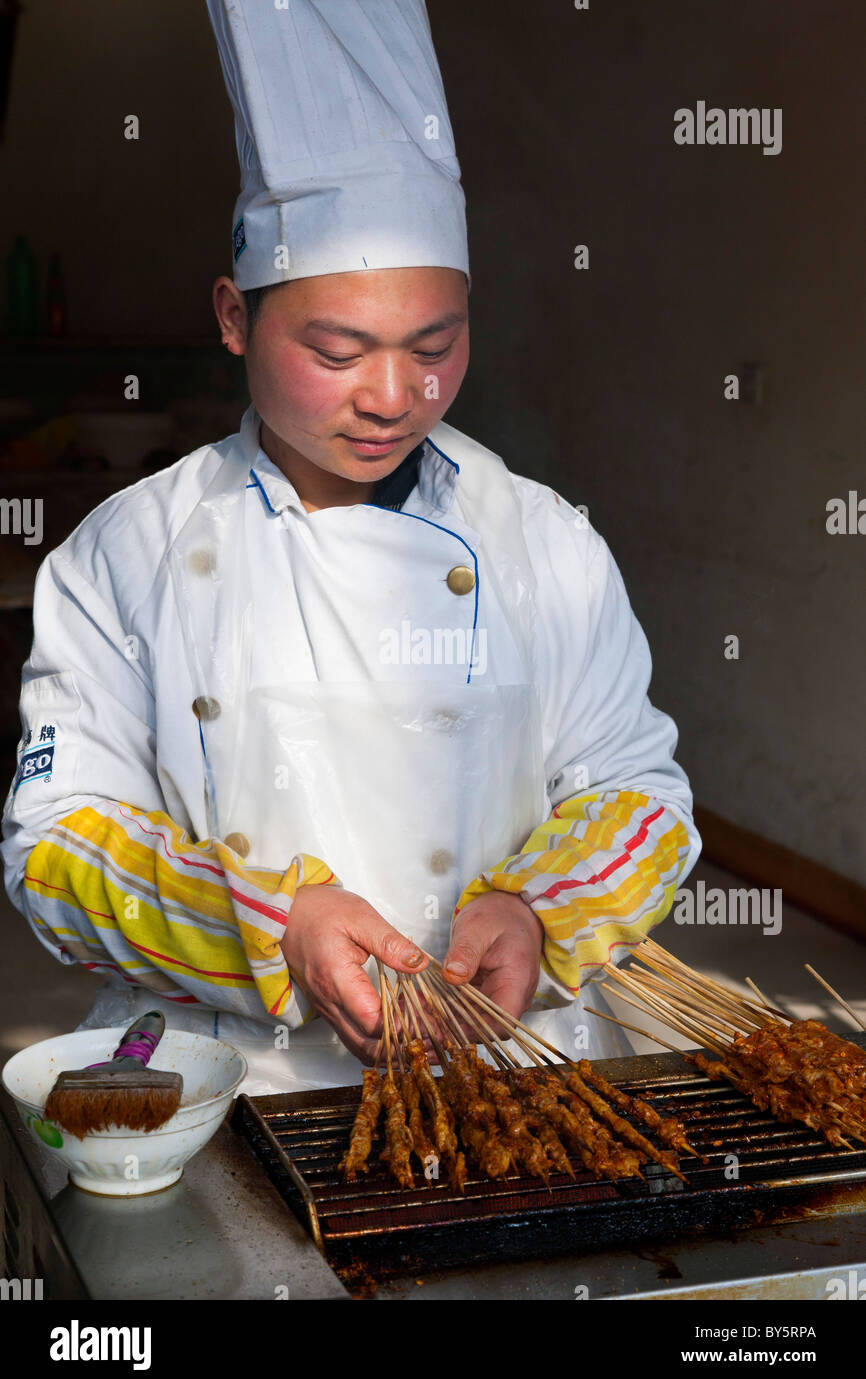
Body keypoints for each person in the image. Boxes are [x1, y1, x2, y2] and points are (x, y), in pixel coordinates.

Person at [0, 0, 700, 1094]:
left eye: (434, 345)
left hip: (508, 1071)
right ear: (233, 317)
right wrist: (275, 925)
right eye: (337, 349)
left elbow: (638, 796)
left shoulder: (545, 545)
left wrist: (532, 907)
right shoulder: (124, 557)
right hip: (243, 1083)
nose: (392, 397)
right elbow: (53, 849)